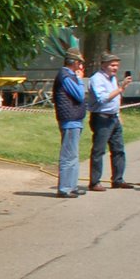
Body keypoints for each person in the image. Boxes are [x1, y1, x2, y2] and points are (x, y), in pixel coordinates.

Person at [87, 52, 133, 190]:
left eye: (117, 65)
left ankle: (118, 179)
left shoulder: (112, 78)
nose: (115, 68)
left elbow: (115, 99)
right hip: (101, 118)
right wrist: (121, 88)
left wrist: (118, 115)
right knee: (99, 150)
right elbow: (102, 98)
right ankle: (95, 182)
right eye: (112, 65)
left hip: (114, 117)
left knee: (118, 149)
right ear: (104, 65)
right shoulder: (97, 79)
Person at [53, 52, 87, 197]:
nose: (81, 66)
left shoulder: (69, 75)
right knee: (68, 156)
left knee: (74, 155)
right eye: (79, 63)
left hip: (75, 120)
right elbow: (79, 95)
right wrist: (80, 79)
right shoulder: (65, 76)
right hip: (69, 120)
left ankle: (72, 185)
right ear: (73, 62)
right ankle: (65, 188)